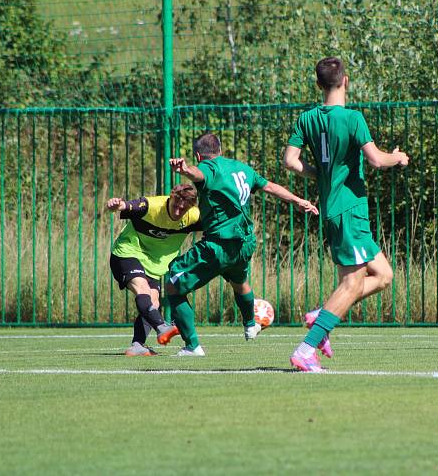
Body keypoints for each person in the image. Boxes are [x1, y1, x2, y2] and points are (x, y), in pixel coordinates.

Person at [283, 56, 410, 372]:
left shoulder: (306, 119)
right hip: (350, 208)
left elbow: (290, 161)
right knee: (353, 285)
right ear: (346, 80)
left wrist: (320, 175)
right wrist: (398, 157)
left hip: (333, 208)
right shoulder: (353, 118)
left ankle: (322, 315)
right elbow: (377, 160)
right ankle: (305, 349)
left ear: (318, 84)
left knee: (383, 276)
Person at [163, 133, 319, 356]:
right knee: (240, 282)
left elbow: (198, 173)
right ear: (220, 149)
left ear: (199, 155)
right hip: (244, 242)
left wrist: (185, 170)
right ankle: (250, 324)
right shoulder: (242, 168)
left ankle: (192, 346)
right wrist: (298, 200)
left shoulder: (209, 168)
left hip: (219, 245)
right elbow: (271, 187)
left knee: (172, 281)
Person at [107, 184, 199, 356]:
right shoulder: (151, 206)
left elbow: (217, 224)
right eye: (175, 206)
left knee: (154, 303)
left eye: (183, 209)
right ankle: (162, 327)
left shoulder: (194, 216)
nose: (178, 212)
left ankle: (137, 345)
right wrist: (115, 205)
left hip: (153, 264)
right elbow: (125, 206)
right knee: (142, 290)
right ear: (170, 197)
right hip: (127, 252)